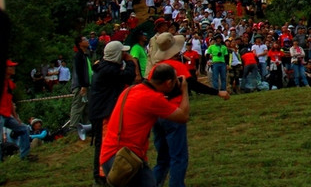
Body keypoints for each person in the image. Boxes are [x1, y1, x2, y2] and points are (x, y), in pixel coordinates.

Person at [149, 31, 229, 187]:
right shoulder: (177, 66)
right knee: (178, 157)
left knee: (163, 158)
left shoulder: (155, 69)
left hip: (157, 115)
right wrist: (217, 92)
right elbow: (193, 84)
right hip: (174, 113)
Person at [99, 63, 190, 187]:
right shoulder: (153, 98)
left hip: (110, 154)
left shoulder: (129, 90)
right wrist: (184, 90)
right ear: (169, 83)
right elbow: (183, 117)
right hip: (128, 159)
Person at [89, 40, 140, 184]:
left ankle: (104, 173)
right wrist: (130, 61)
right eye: (122, 53)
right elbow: (128, 77)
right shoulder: (108, 70)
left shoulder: (104, 66)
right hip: (102, 113)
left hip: (102, 111)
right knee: (104, 143)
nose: (125, 54)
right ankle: (101, 175)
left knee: (106, 142)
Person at [1, 60, 35, 162]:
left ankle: (24, 156)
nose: (13, 69)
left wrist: (16, 117)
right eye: (11, 67)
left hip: (6, 114)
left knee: (24, 129)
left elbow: (10, 101)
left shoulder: (10, 83)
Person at [68, 35, 94, 137]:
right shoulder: (79, 55)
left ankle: (87, 128)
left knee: (87, 108)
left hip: (86, 85)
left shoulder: (85, 55)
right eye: (85, 40)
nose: (87, 41)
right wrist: (83, 85)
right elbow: (79, 72)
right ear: (80, 43)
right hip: (80, 86)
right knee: (78, 106)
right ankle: (73, 128)